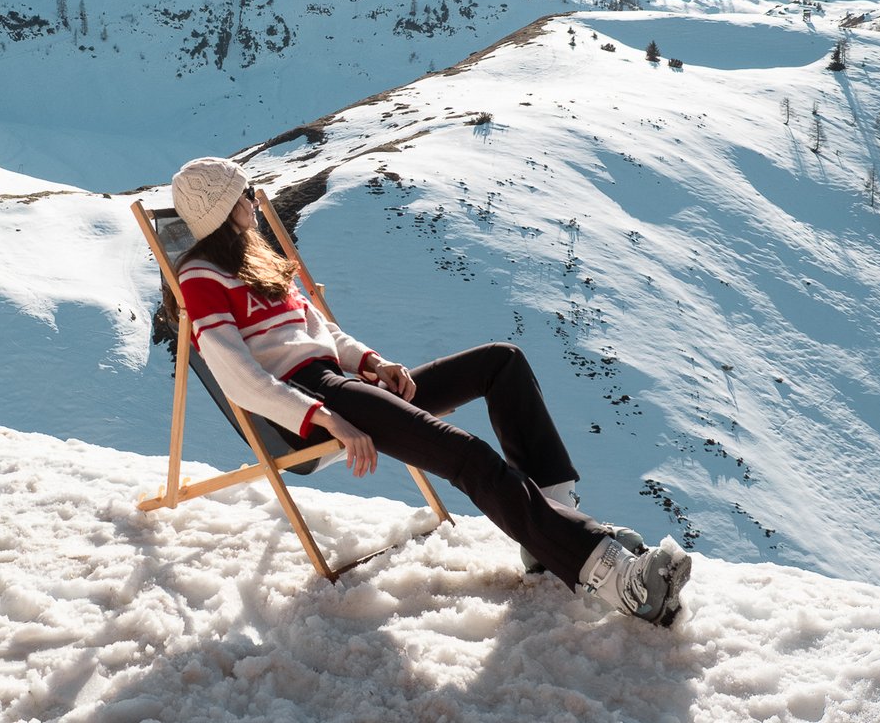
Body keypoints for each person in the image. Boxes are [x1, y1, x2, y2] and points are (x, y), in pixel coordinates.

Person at [168, 156, 691, 626]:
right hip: (311, 402)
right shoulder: (200, 275)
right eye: (244, 193)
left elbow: (319, 331)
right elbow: (237, 376)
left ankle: (549, 535)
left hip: (345, 383)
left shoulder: (255, 260)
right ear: (222, 208)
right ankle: (617, 581)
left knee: (500, 363)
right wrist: (324, 417)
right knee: (467, 456)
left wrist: (372, 360)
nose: (253, 201)